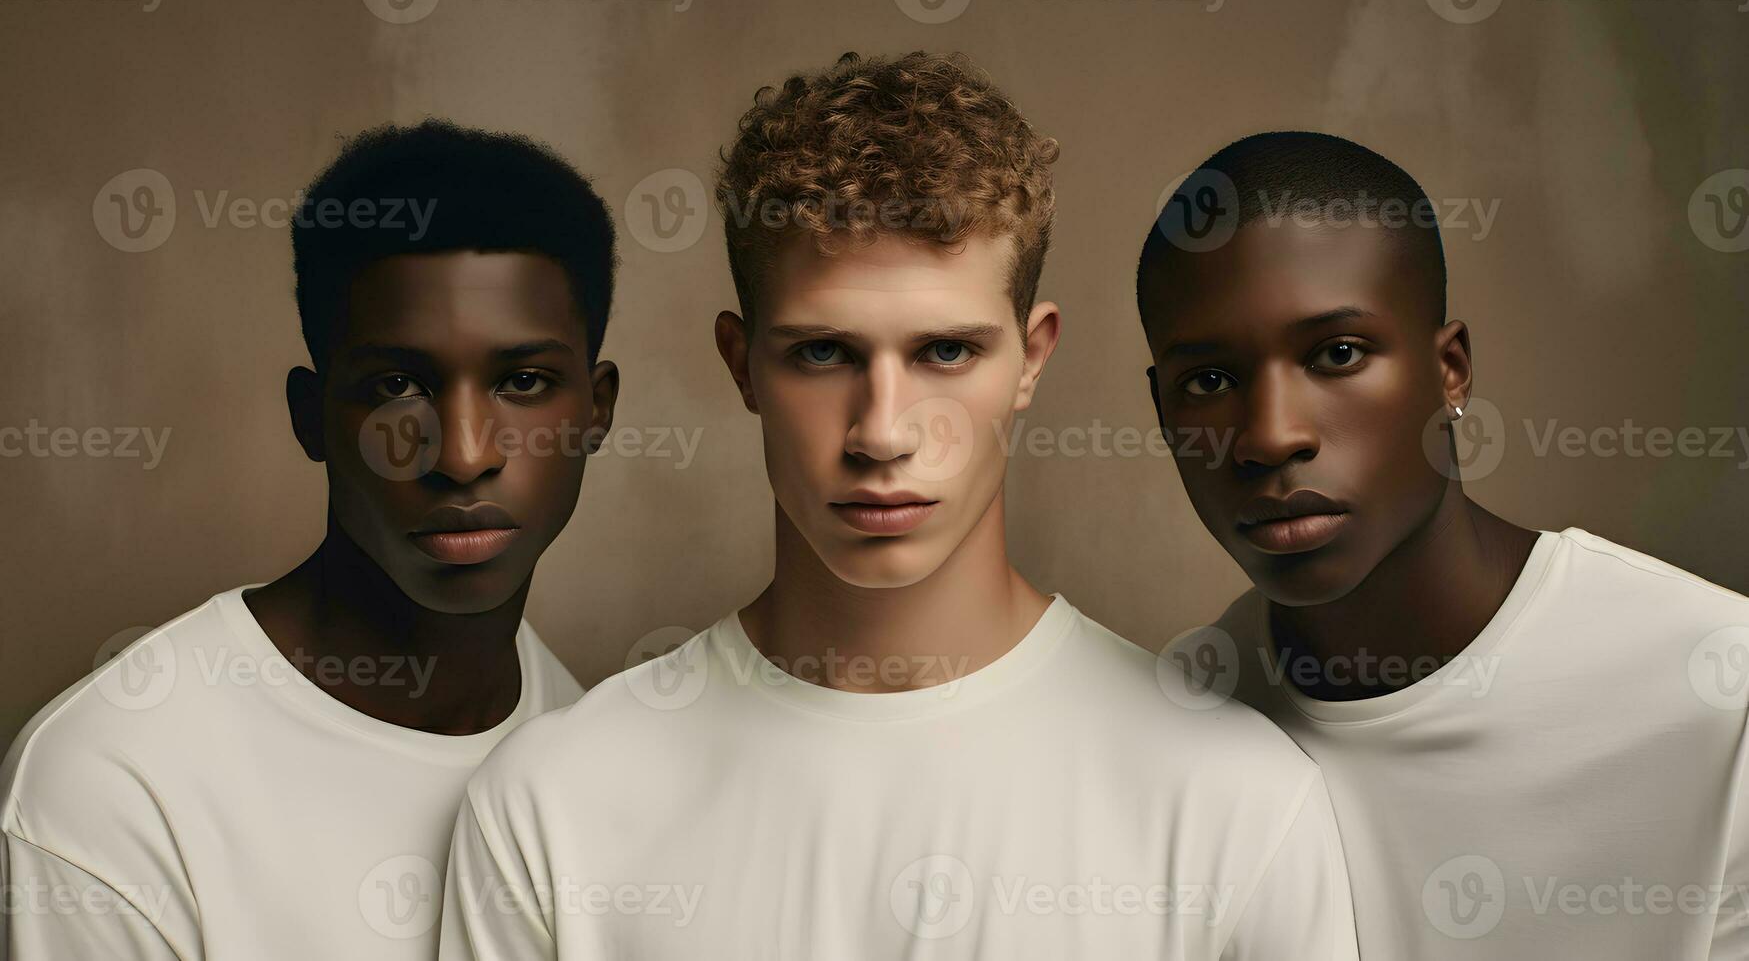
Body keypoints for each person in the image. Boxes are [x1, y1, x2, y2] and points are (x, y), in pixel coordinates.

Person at [439, 52, 1358, 960]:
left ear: (1031, 359)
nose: (883, 433)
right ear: (740, 362)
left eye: (946, 353)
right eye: (822, 354)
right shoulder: (550, 807)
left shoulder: (1233, 803)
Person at [1, 119, 621, 959]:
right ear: (311, 416)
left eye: (523, 381)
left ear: (596, 411)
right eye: (397, 385)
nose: (465, 453)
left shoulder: (597, 762)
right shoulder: (114, 780)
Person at [1138, 129, 1749, 958]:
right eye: (1207, 381)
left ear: (1450, 369)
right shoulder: (1175, 713)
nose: (1269, 436)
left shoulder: (1717, 684)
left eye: (1337, 353)